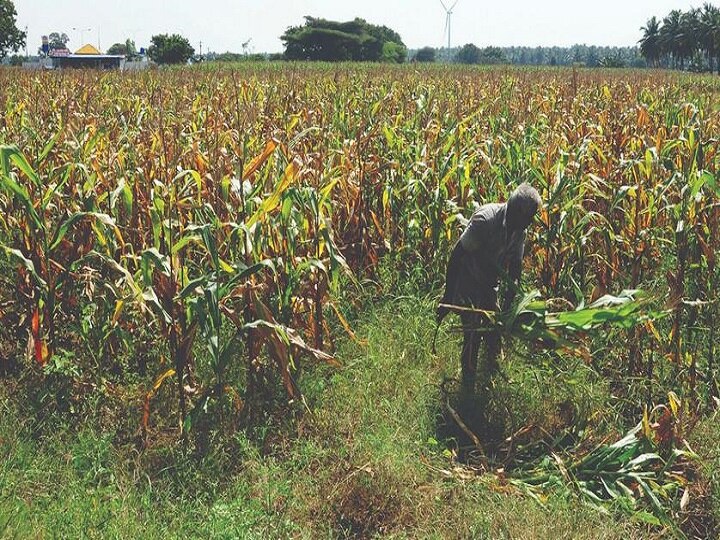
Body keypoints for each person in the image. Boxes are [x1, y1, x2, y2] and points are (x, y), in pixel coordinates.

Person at [436, 183, 542, 392]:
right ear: (516, 211)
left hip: (488, 283)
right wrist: (448, 297)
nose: (531, 222)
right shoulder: (486, 220)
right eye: (529, 217)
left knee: (494, 334)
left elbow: (515, 270)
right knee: (473, 335)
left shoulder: (519, 231)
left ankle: (489, 384)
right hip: (468, 280)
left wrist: (509, 309)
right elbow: (457, 255)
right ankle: (468, 392)